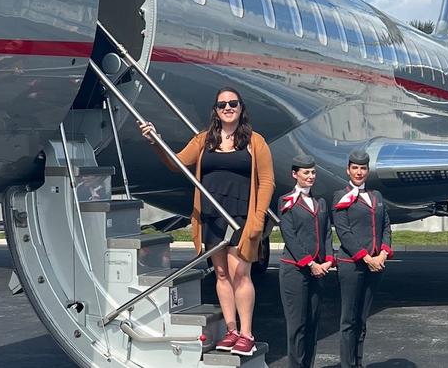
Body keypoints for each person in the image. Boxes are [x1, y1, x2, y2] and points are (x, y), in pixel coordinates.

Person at [138, 88, 275, 357]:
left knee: (241, 274)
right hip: (211, 216)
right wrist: (155, 142)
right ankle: (231, 330)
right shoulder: (205, 140)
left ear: (241, 108)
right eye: (222, 104)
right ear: (215, 110)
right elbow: (177, 163)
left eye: (232, 103)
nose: (227, 108)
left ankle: (247, 333)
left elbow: (267, 181)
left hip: (240, 216)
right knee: (221, 274)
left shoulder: (255, 142)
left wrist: (257, 219)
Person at [331, 150, 392, 368]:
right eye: (355, 168)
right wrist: (367, 258)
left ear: (367, 171)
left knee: (362, 320)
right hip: (352, 265)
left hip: (375, 265)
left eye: (363, 168)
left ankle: (358, 362)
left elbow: (386, 226)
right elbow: (344, 232)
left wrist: (383, 253)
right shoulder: (341, 196)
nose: (359, 172)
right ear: (348, 170)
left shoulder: (376, 197)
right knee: (348, 320)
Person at [277, 155, 333, 368]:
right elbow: (289, 235)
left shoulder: (320, 202)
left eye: (313, 172)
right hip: (296, 270)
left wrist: (328, 260)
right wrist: (310, 263)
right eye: (306, 172)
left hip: (319, 269)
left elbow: (327, 231)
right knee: (297, 325)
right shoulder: (287, 201)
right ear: (295, 174)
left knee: (312, 324)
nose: (311, 176)